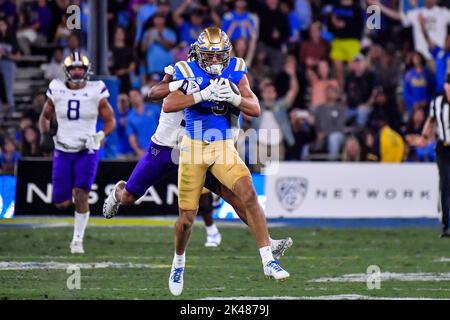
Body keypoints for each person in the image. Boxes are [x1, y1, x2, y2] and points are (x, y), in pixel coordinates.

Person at [103, 59, 293, 252]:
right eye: (209, 57)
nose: (213, 64)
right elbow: (154, 94)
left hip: (197, 150)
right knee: (129, 196)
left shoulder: (225, 84)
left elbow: (236, 122)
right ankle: (119, 192)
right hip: (166, 147)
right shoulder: (182, 72)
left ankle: (267, 242)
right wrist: (180, 84)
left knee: (235, 197)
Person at [163, 27, 290, 296]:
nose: (214, 62)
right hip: (194, 146)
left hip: (222, 145)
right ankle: (178, 261)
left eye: (219, 55)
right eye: (209, 56)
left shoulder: (235, 68)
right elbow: (168, 104)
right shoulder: (185, 69)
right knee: (187, 219)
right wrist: (201, 95)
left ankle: (268, 259)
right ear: (199, 54)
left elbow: (254, 108)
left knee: (248, 195)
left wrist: (233, 97)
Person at [38, 51, 116, 254]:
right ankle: (72, 206)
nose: (78, 71)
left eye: (81, 67)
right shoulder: (56, 88)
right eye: (74, 68)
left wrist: (99, 136)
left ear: (87, 70)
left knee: (81, 194)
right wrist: (44, 134)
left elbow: (111, 121)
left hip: (87, 149)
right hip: (63, 149)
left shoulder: (96, 90)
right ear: (67, 70)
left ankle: (77, 241)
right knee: (61, 202)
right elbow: (45, 116)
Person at [417, 74, 450, 237]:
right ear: (446, 87)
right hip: (444, 147)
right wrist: (424, 137)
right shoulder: (437, 103)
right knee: (445, 183)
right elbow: (431, 121)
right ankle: (446, 225)